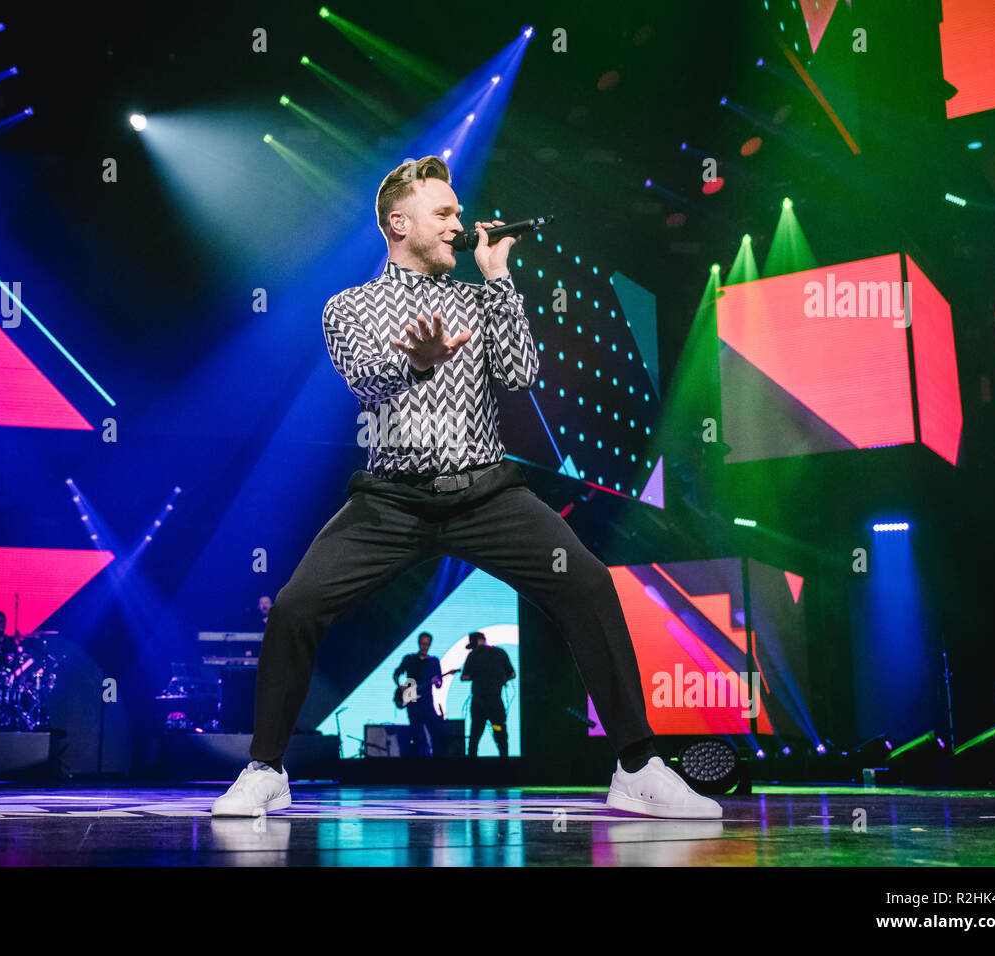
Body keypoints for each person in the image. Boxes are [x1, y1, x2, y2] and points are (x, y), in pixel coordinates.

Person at [212, 155, 719, 819]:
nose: (457, 223)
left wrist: (500, 277)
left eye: (458, 213)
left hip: (488, 496)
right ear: (399, 222)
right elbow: (366, 380)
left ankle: (637, 766)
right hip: (391, 502)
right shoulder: (350, 306)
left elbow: (519, 374)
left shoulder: (479, 298)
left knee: (590, 584)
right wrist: (413, 362)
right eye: (444, 212)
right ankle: (265, 769)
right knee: (295, 608)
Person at [460, 631, 513, 757]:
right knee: (499, 732)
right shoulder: (500, 653)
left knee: (475, 736)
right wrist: (501, 679)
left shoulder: (473, 655)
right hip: (495, 704)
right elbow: (512, 674)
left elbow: (464, 677)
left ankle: (472, 768)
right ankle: (506, 765)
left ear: (476, 642)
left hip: (479, 704)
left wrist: (475, 676)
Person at [392, 632, 444, 756]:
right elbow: (396, 674)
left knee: (435, 732)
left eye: (427, 644)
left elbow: (439, 683)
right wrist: (401, 688)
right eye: (422, 644)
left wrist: (437, 682)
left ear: (430, 644)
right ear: (419, 643)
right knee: (416, 736)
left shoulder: (434, 661)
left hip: (427, 702)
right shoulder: (409, 659)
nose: (425, 647)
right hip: (413, 703)